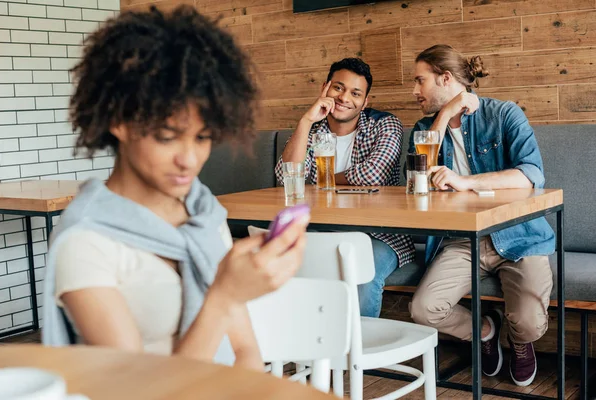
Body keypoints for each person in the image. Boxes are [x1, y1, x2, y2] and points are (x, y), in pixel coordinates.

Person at [42, 6, 308, 370]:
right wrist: (223, 298)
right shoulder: (85, 242)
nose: (189, 159)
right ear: (119, 122)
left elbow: (245, 351)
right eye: (168, 137)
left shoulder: (203, 212)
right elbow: (141, 392)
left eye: (203, 138)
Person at [408, 44, 554, 386]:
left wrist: (463, 181)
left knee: (530, 323)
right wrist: (444, 116)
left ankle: (520, 343)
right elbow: (415, 184)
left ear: (446, 78)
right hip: (460, 241)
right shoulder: (425, 126)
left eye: (420, 81)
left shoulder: (504, 115)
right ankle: (486, 331)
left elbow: (531, 174)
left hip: (519, 235)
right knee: (423, 310)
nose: (415, 91)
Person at [275, 58, 414, 318]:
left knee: (362, 275)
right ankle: (312, 348)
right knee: (278, 265)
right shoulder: (312, 129)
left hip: (378, 233)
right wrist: (306, 120)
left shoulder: (384, 124)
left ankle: (358, 357)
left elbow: (374, 174)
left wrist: (321, 181)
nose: (344, 98)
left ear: (365, 101)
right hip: (320, 228)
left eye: (355, 93)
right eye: (338, 88)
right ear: (325, 88)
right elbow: (287, 178)